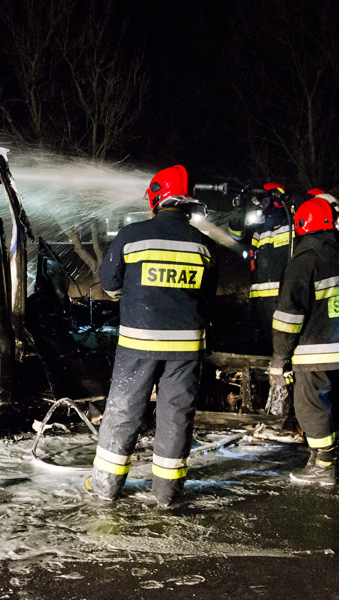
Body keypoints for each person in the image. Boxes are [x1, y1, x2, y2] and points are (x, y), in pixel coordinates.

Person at [86, 165, 218, 508]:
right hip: (187, 348)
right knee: (176, 417)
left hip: (138, 345)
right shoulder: (203, 245)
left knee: (124, 412)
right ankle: (168, 495)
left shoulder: (132, 236)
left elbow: (111, 285)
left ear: (156, 198)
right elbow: (206, 299)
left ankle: (105, 488)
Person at [270, 197, 339, 486]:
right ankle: (321, 460)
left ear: (301, 226)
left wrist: (279, 359)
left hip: (314, 355)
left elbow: (288, 319)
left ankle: (323, 468)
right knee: (334, 408)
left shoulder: (303, 264)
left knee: (311, 409)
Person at [228, 182, 293, 355]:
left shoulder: (293, 226)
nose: (260, 204)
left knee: (283, 349)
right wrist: (239, 206)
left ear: (277, 198)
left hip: (283, 301)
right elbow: (236, 233)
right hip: (258, 303)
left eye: (264, 199)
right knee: (259, 349)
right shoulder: (258, 228)